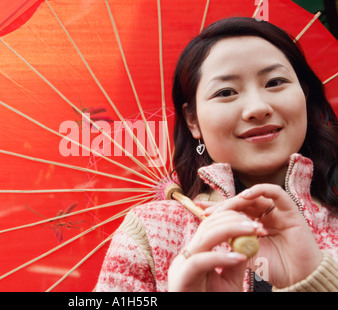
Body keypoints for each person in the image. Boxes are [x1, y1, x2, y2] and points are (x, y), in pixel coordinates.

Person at [95, 17, 338, 292]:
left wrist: (314, 281)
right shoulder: (151, 233)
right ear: (192, 120)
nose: (257, 108)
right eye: (225, 92)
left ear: (304, 95)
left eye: (274, 82)